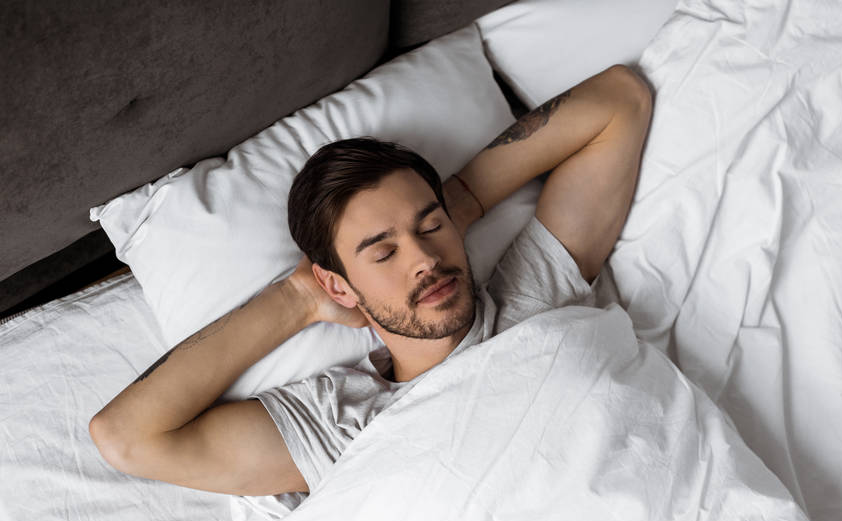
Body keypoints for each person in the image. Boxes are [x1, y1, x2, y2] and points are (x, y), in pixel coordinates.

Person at [89, 64, 653, 495]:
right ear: (339, 285)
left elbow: (620, 98)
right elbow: (125, 436)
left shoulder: (531, 295)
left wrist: (463, 201)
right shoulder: (343, 422)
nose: (424, 259)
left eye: (430, 227)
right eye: (382, 252)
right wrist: (295, 300)